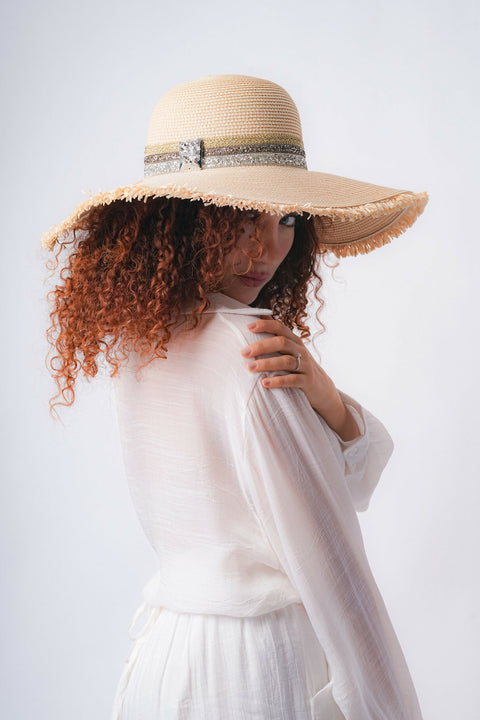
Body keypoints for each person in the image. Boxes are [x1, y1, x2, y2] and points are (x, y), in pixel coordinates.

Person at [43, 74, 428, 720]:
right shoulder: (253, 353)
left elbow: (325, 485)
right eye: (244, 215)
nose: (269, 247)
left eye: (285, 218)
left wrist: (325, 397)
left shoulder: (140, 341)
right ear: (184, 219)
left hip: (164, 662)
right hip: (258, 671)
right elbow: (335, 571)